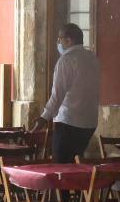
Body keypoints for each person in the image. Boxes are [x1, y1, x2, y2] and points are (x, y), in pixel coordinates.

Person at [32, 23, 100, 163]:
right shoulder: (93, 58)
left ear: (68, 40)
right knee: (77, 165)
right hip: (89, 123)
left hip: (69, 122)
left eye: (59, 39)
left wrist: (44, 118)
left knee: (61, 168)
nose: (58, 43)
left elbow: (57, 95)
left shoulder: (66, 60)